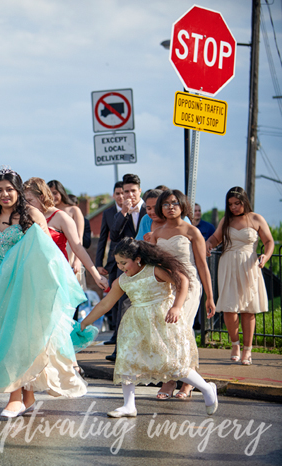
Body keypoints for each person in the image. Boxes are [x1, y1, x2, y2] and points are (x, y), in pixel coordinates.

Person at [0, 167, 101, 418]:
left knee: (18, 339)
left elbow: (46, 252)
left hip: (24, 286)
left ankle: (15, 397)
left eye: (9, 189)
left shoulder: (31, 214)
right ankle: (29, 396)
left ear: (18, 191)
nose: (4, 194)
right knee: (1, 337)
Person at [80, 238, 219, 417]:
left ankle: (207, 388)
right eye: (118, 263)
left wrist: (176, 306)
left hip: (162, 321)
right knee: (127, 362)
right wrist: (85, 322)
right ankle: (129, 405)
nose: (121, 267)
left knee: (171, 364)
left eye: (124, 263)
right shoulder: (122, 281)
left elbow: (182, 281)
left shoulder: (155, 270)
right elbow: (105, 304)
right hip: (135, 325)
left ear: (137, 259)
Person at [149, 189, 216, 400]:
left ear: (182, 206)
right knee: (168, 334)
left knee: (182, 330)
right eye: (166, 203)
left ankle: (183, 383)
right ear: (161, 207)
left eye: (175, 203)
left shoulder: (192, 232)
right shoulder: (156, 233)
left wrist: (210, 297)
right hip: (166, 287)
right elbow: (150, 266)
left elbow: (203, 266)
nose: (171, 207)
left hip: (190, 286)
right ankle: (174, 377)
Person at [205, 187, 274, 366]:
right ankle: (235, 345)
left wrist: (265, 256)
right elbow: (214, 238)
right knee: (229, 306)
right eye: (230, 204)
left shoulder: (256, 218)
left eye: (237, 203)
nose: (234, 207)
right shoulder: (225, 220)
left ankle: (247, 350)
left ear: (245, 201)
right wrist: (207, 244)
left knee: (248, 308)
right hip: (227, 264)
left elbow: (269, 242)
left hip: (250, 265)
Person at [23, 178, 108, 290]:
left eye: (29, 200)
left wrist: (96, 276)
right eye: (24, 201)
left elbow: (78, 248)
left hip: (56, 273)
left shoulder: (61, 217)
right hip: (33, 274)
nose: (26, 205)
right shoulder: (26, 217)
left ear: (41, 197)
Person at [105, 174, 147, 362]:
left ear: (140, 191)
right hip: (128, 267)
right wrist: (124, 212)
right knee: (124, 305)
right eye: (125, 191)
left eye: (132, 191)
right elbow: (114, 235)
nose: (129, 195)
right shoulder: (121, 211)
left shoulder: (150, 209)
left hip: (147, 264)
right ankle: (120, 350)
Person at [95, 181, 124, 345]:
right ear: (113, 195)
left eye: (123, 193)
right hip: (113, 261)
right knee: (114, 297)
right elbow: (102, 239)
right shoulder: (108, 213)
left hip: (131, 261)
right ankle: (115, 331)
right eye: (117, 193)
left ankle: (122, 331)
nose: (120, 197)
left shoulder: (135, 211)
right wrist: (99, 263)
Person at [47, 180, 85, 272]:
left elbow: (79, 237)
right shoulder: (46, 212)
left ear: (61, 192)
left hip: (70, 253)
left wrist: (77, 260)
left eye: (55, 193)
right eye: (49, 193)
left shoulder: (74, 210)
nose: (52, 196)